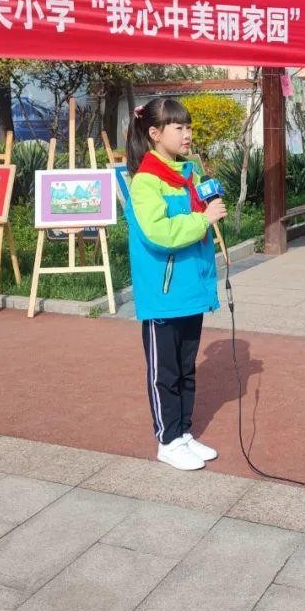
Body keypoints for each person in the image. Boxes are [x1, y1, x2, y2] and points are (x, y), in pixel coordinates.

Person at [125, 98, 228, 471]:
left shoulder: (189, 175)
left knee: (186, 368)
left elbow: (200, 216)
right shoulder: (145, 182)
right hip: (163, 295)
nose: (187, 134)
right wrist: (203, 220)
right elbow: (158, 234)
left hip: (191, 289)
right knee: (163, 373)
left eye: (188, 127)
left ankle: (184, 433)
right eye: (178, 127)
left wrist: (209, 209)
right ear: (154, 134)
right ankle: (167, 441)